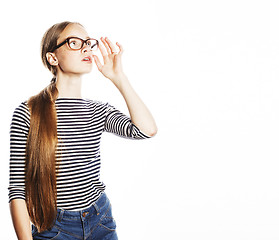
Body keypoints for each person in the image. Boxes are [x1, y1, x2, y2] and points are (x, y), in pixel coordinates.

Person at [8, 21, 157, 240]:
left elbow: (146, 130)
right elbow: (18, 189)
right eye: (75, 43)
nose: (86, 48)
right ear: (53, 58)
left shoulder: (99, 111)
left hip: (100, 220)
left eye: (88, 43)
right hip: (54, 227)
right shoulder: (28, 112)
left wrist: (118, 78)